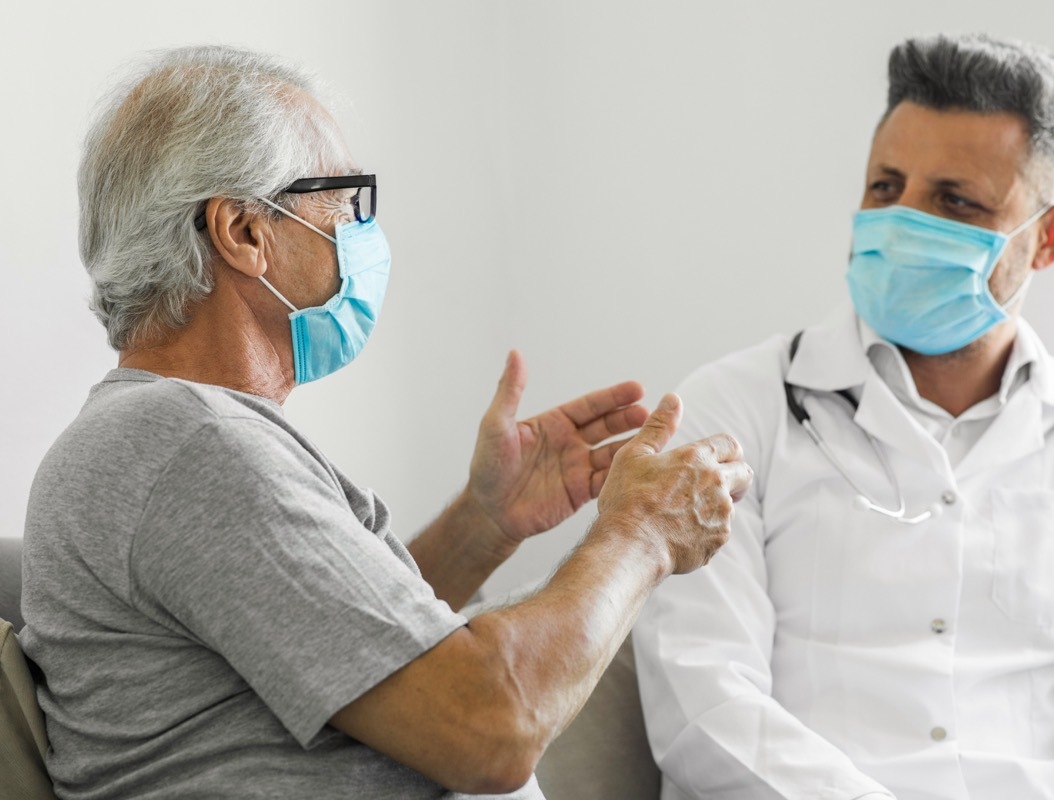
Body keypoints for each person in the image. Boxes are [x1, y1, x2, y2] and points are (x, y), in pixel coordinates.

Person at [20, 45, 753, 800]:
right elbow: (490, 729)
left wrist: (484, 522)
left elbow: (333, 636)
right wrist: (643, 535)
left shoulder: (170, 440)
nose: (363, 232)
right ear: (243, 231)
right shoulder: (184, 443)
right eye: (346, 200)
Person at [633, 33, 1054, 800]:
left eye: (954, 201)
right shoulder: (733, 411)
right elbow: (705, 707)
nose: (901, 223)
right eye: (885, 186)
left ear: (1048, 238)